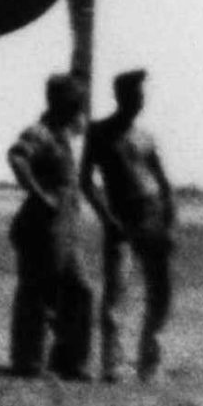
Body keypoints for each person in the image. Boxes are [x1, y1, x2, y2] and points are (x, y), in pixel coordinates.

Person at [81, 69, 177, 382]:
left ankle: (149, 364)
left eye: (142, 95)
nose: (139, 100)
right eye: (134, 94)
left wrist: (170, 222)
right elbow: (87, 181)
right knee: (116, 293)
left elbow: (163, 183)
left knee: (161, 294)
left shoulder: (146, 137)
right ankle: (114, 366)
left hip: (152, 218)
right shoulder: (98, 133)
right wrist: (107, 218)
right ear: (120, 96)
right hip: (121, 220)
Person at [6, 73, 95, 380]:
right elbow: (17, 157)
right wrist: (39, 193)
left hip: (64, 229)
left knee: (79, 291)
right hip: (40, 227)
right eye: (76, 101)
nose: (81, 107)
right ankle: (27, 362)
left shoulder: (66, 132)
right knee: (36, 292)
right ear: (60, 102)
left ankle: (69, 361)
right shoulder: (41, 132)